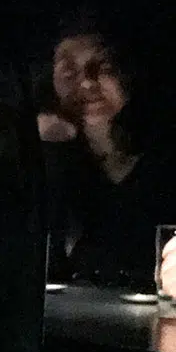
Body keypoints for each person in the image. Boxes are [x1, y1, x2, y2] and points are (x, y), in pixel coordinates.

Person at [37, 18, 174, 287]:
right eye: (69, 72)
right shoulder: (45, 164)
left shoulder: (165, 167)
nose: (87, 84)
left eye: (104, 68)